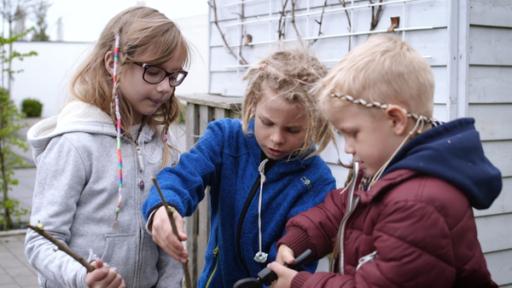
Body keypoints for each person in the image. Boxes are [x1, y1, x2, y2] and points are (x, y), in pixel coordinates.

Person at [268, 34, 502, 288]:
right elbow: (342, 208)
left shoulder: (419, 202)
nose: (348, 148)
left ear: (396, 121)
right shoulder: (386, 171)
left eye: (353, 133)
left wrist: (301, 284)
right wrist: (299, 238)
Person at [142, 49, 337, 287]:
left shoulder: (317, 180)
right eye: (267, 123)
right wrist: (164, 207)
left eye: (292, 130)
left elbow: (297, 253)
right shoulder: (226, 139)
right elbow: (184, 176)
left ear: (315, 122)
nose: (276, 138)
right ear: (253, 103)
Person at [24, 6, 188, 288]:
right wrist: (82, 276)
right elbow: (40, 240)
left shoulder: (165, 146)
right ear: (113, 63)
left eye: (173, 76)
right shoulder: (75, 144)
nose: (165, 87)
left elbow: (170, 250)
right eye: (154, 71)